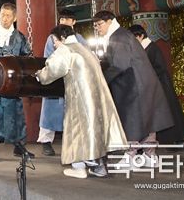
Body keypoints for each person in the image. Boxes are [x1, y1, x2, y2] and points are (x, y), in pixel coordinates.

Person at [35, 25, 127, 179]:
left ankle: (79, 167)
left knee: (78, 129)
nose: (54, 44)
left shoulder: (66, 49)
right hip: (98, 97)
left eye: (55, 41)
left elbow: (53, 69)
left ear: (62, 38)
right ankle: (99, 167)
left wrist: (39, 75)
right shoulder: (85, 49)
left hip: (81, 97)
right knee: (95, 130)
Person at [92, 11, 174, 168]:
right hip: (143, 83)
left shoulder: (118, 37)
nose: (97, 28)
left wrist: (101, 80)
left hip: (134, 85)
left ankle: (130, 157)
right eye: (95, 26)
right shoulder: (121, 35)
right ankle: (150, 156)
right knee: (149, 120)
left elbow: (120, 65)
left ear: (110, 21)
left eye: (99, 24)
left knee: (133, 121)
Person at [0, 3, 33, 161]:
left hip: (12, 83)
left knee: (16, 113)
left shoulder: (19, 37)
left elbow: (27, 55)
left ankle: (19, 146)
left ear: (15, 18)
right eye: (2, 15)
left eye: (8, 16)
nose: (4, 18)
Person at [37, 9, 87, 157]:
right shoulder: (52, 38)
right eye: (61, 19)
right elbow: (48, 58)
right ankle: (46, 141)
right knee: (49, 111)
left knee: (73, 113)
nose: (63, 22)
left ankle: (73, 143)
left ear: (73, 22)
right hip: (55, 79)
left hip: (73, 80)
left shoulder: (79, 38)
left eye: (67, 19)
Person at [129, 24, 184, 144]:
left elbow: (160, 67)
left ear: (140, 36)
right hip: (152, 85)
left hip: (161, 85)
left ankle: (175, 140)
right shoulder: (143, 48)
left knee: (167, 113)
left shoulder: (151, 48)